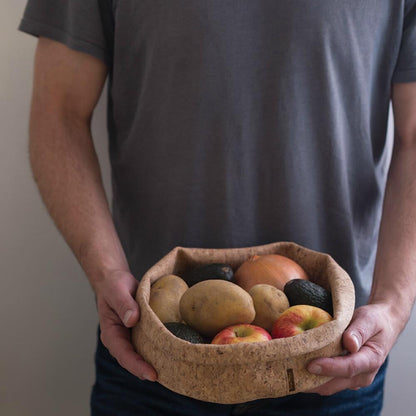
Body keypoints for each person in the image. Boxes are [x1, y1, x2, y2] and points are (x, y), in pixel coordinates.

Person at [18, 1, 416, 415]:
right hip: (152, 348)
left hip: (333, 360)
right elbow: (59, 113)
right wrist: (107, 274)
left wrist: (392, 305)